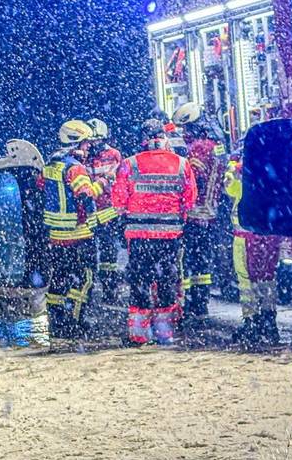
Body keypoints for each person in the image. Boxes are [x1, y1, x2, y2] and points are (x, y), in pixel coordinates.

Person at [111, 119, 197, 345]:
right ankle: (164, 332)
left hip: (139, 237)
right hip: (170, 237)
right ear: (164, 138)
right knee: (167, 282)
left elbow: (118, 202)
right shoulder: (181, 164)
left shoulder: (129, 164)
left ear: (143, 139)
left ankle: (139, 335)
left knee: (140, 282)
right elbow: (190, 201)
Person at [39, 119, 103, 339]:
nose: (88, 148)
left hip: (56, 236)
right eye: (85, 143)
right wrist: (103, 184)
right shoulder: (75, 169)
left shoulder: (50, 165)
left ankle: (57, 323)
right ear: (76, 143)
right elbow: (86, 194)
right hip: (78, 235)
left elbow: (42, 189)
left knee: (58, 280)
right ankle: (75, 322)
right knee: (83, 280)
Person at [172, 102, 231, 337]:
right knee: (202, 262)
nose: (183, 134)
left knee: (187, 261)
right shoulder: (216, 145)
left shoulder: (197, 148)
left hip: (193, 214)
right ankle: (201, 303)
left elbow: (192, 178)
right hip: (212, 213)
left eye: (186, 128)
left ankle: (189, 305)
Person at [226, 154, 282, 349]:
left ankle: (252, 322)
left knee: (246, 281)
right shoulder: (274, 178)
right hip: (269, 238)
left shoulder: (242, 179)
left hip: (245, 237)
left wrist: (233, 170)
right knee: (267, 278)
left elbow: (229, 188)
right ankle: (269, 322)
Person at [86, 118, 124, 305]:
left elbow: (117, 180)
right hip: (89, 212)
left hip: (108, 211)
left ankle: (110, 288)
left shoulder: (114, 155)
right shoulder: (83, 156)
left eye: (96, 141)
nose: (93, 145)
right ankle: (89, 288)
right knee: (90, 254)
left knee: (109, 253)